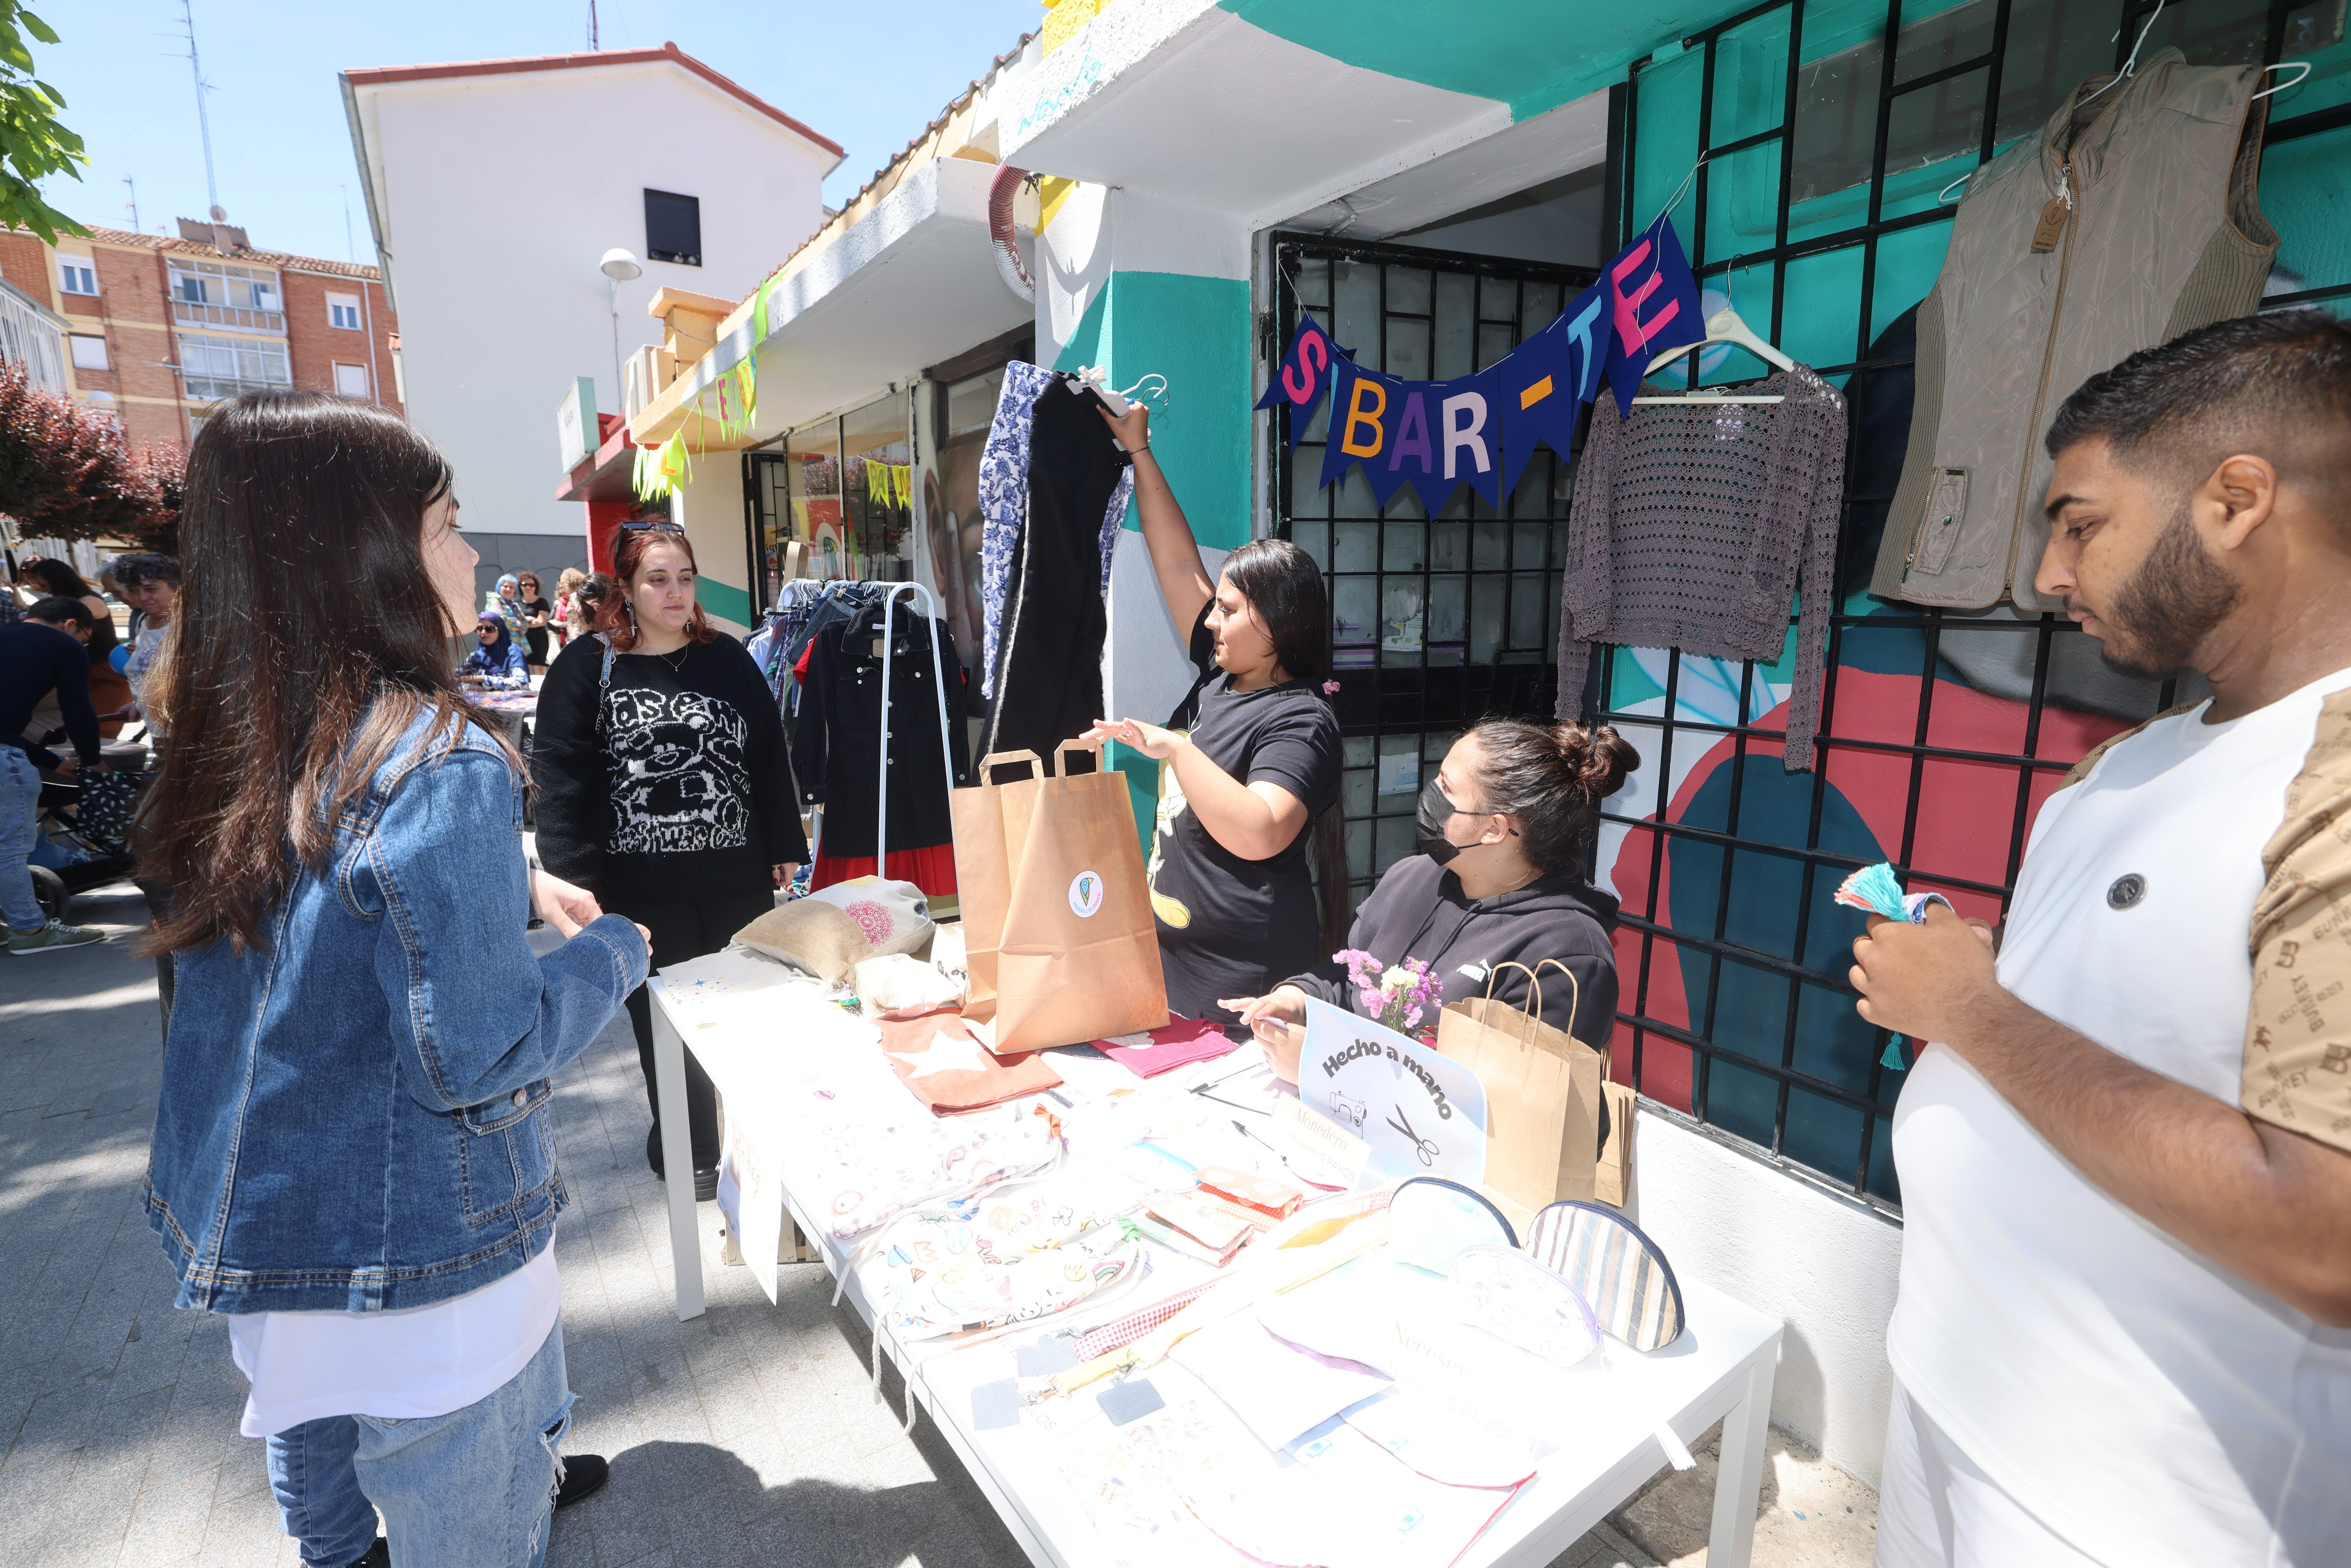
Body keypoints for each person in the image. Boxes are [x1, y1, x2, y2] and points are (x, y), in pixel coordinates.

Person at [1848, 313, 2351, 1568]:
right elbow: (2101, 1028)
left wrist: (1970, 1010)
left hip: (2136, 1512)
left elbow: (2322, 1229)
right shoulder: (2132, 759)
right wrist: (1967, 988)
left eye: (2081, 522)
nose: (2051, 575)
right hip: (1953, 1396)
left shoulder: (2333, 779)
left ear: (2236, 498)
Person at [139, 389, 647, 1568]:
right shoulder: (441, 759)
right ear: (357, 555)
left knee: (311, 1443)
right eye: (449, 523)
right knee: (475, 1506)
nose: (475, 554)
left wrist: (511, 881)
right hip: (425, 1257)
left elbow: (330, 895)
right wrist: (616, 953)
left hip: (266, 1216)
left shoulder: (233, 727)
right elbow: (486, 1046)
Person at [532, 523, 806, 1198]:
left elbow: (767, 755)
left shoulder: (728, 659)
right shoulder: (587, 666)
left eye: (684, 576)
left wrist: (783, 846)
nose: (675, 592)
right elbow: (561, 777)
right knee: (663, 1020)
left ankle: (743, 1137)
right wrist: (569, 876)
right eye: (658, 579)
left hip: (734, 880)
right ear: (624, 587)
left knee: (741, 1012)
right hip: (638, 890)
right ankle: (688, 1146)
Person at [1084, 401, 1347, 1024]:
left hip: (1241, 984)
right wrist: (1139, 450)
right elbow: (1177, 562)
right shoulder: (1221, 674)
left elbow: (1261, 828)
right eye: (1217, 607)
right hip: (1171, 959)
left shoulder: (1301, 719)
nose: (1210, 620)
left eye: (1227, 609)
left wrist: (1177, 749)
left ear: (1278, 625)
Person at [1227, 717, 1637, 1078]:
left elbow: (1506, 1106)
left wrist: (1323, 1067)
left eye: (1446, 788)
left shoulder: (1568, 954)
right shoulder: (1412, 878)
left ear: (1494, 829)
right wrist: (1296, 1000)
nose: (1429, 797)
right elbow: (1352, 982)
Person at [1, 596, 110, 955]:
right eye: (84, 638)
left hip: (9, 745)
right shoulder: (64, 644)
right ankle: (30, 931)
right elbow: (77, 706)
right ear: (69, 624)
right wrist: (92, 761)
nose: (81, 645)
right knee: (9, 851)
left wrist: (49, 758)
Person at [113, 553, 179, 753]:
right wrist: (138, 703)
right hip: (161, 733)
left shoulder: (188, 623)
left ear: (176, 587)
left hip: (190, 734)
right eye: (134, 590)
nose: (142, 597)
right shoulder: (143, 621)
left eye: (151, 589)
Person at [458, 611, 531, 690]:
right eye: (479, 629)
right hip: (482, 700)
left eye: (489, 629)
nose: (483, 633)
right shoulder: (478, 654)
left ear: (500, 630)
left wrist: (483, 679)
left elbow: (522, 684)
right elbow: (456, 680)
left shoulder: (513, 652)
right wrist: (471, 688)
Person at [515, 571, 553, 669]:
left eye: (531, 585)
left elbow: (541, 622)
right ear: (520, 586)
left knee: (540, 669)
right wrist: (530, 620)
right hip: (522, 639)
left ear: (536, 587)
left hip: (539, 639)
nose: (528, 587)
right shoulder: (515, 603)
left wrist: (523, 622)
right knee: (524, 668)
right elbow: (513, 623)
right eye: (525, 584)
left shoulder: (542, 602)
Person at [549, 567, 587, 653]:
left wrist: (561, 624)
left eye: (562, 581)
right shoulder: (576, 597)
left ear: (570, 581)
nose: (560, 584)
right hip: (575, 638)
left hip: (578, 638)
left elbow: (583, 617)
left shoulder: (576, 598)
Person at [485, 572, 526, 641]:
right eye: (505, 586)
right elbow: (499, 619)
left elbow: (525, 624)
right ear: (499, 587)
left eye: (511, 587)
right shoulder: (494, 601)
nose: (508, 589)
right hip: (503, 643)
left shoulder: (514, 604)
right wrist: (519, 625)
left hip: (518, 645)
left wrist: (513, 625)